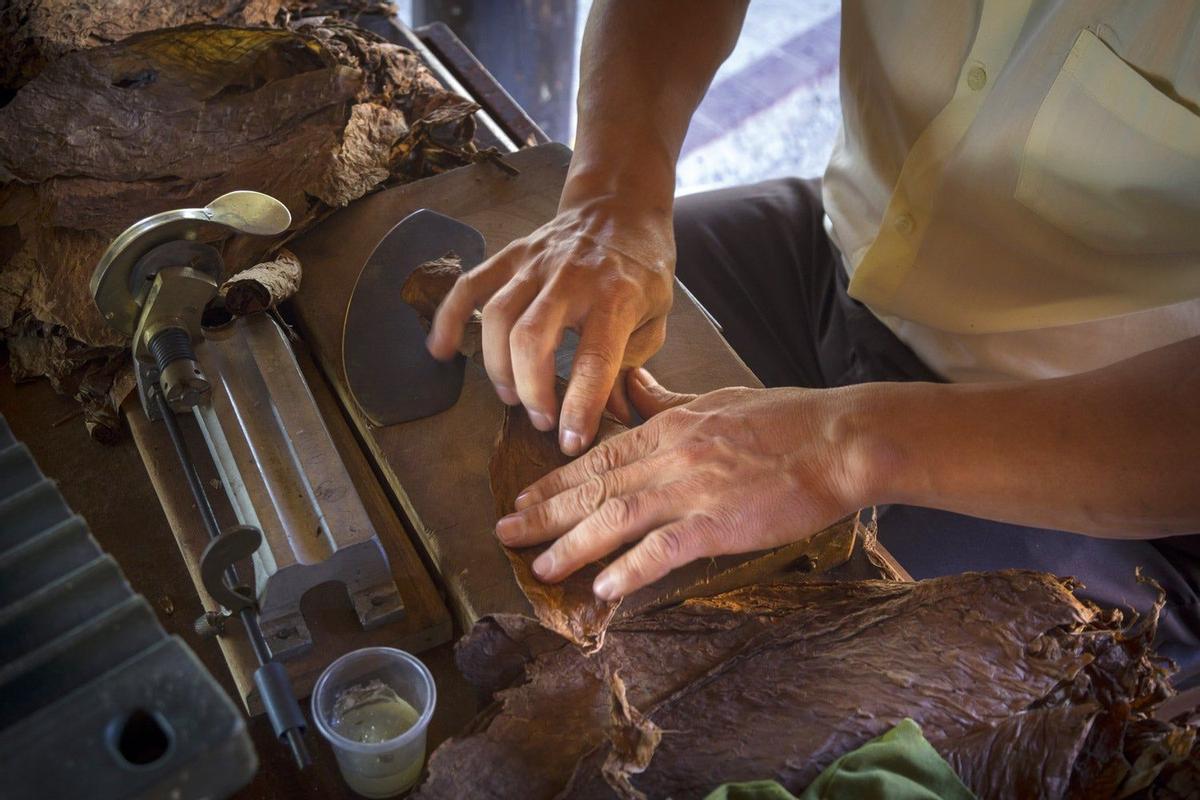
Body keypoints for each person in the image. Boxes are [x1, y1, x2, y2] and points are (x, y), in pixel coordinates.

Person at [426, 1, 1200, 680]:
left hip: (1100, 447)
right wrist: (610, 197)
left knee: (747, 705)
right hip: (837, 253)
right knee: (537, 354)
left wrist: (839, 446)